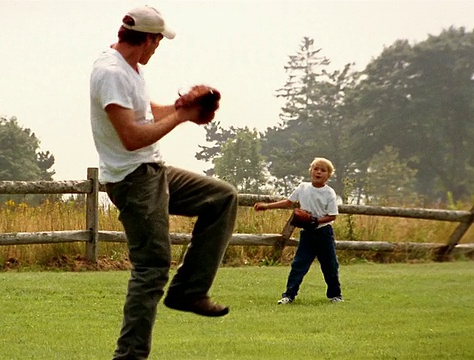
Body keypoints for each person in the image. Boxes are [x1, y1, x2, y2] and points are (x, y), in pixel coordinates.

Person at [89, 6, 238, 360]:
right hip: (133, 179)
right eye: (158, 41)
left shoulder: (130, 68)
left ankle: (189, 291)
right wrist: (182, 118)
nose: (158, 48)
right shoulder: (111, 72)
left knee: (223, 198)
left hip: (152, 171)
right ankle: (129, 356)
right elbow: (131, 136)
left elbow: (142, 112)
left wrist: (178, 107)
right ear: (149, 39)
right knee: (151, 267)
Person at [254, 157, 343, 304]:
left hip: (323, 234)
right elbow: (289, 202)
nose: (318, 172)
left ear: (328, 175)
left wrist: (315, 221)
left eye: (323, 170)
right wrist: (267, 206)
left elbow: (332, 215)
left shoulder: (329, 193)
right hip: (307, 234)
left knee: (330, 265)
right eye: (316, 169)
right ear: (311, 171)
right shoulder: (303, 187)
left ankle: (335, 295)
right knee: (299, 265)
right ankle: (288, 295)